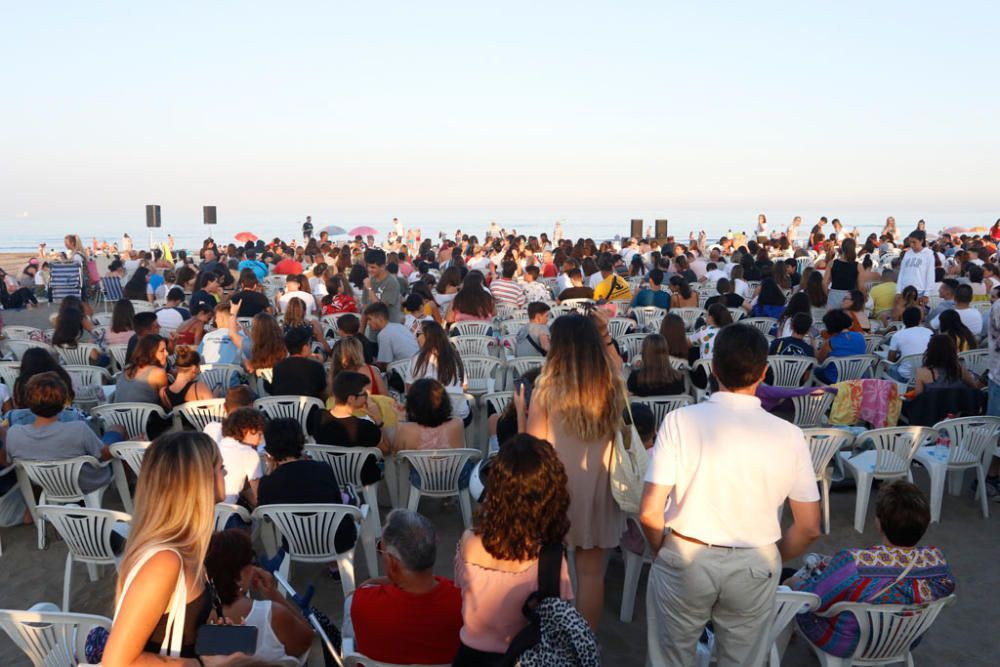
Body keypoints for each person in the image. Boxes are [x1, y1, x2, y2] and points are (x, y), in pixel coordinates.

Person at [639, 323, 821, 666]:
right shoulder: (790, 435)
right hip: (755, 560)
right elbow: (809, 526)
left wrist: (660, 550)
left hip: (685, 551)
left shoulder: (680, 421)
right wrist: (770, 556)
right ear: (764, 372)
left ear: (714, 368)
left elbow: (649, 512)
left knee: (670, 658)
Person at [526, 314, 623, 629]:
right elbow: (617, 363)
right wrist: (606, 337)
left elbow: (535, 445)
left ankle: (555, 643)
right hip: (601, 485)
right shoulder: (611, 383)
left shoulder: (547, 388)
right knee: (592, 575)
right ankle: (586, 649)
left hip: (558, 488)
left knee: (551, 572)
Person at [99, 432, 229, 663]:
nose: (226, 473)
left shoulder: (187, 546)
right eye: (220, 467)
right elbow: (117, 662)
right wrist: (201, 664)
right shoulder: (164, 561)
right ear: (199, 481)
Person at [789, 481, 955, 659]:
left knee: (790, 582)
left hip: (848, 643)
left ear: (879, 523)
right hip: (905, 640)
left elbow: (813, 600)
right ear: (925, 523)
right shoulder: (937, 561)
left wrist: (793, 583)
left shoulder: (853, 563)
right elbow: (947, 588)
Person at [452, 434, 574, 664]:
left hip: (471, 658)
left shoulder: (470, 542)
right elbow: (559, 617)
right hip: (528, 658)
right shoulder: (551, 559)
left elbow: (461, 587)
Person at [346, 509, 462, 665]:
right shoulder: (462, 602)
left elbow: (361, 592)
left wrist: (374, 582)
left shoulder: (361, 603)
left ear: (393, 563)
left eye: (381, 548)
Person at [0, 373, 121, 495]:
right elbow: (103, 455)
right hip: (85, 484)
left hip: (43, 485)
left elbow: (7, 461)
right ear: (63, 400)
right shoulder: (78, 429)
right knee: (117, 430)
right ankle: (128, 490)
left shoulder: (14, 434)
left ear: (28, 401)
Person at [204, 529, 315, 662]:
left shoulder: (202, 617)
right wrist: (273, 594)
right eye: (251, 562)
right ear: (241, 575)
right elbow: (307, 639)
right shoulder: (272, 614)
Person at [257, 418, 357, 554]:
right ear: (301, 441)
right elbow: (336, 502)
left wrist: (269, 470)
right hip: (337, 541)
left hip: (294, 543)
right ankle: (349, 497)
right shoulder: (322, 468)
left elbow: (266, 516)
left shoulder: (267, 483)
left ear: (269, 447)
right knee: (339, 500)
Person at [406, 320, 471, 425]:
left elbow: (409, 390)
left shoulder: (417, 359)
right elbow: (464, 387)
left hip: (429, 414)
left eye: (418, 334)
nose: (416, 337)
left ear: (428, 336)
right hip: (459, 414)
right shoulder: (454, 355)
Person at [216, 407, 266, 506]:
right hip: (227, 512)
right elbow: (258, 495)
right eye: (259, 434)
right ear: (245, 430)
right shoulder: (249, 453)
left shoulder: (218, 445)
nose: (261, 440)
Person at [269, 327, 328, 399]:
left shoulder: (278, 366)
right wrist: (321, 365)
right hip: (310, 408)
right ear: (304, 347)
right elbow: (323, 393)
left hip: (283, 409)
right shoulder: (316, 367)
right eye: (310, 344)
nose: (310, 347)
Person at [912, 334, 980, 396]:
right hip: (957, 407)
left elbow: (918, 399)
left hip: (932, 408)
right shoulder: (960, 371)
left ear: (930, 351)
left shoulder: (922, 373)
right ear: (952, 351)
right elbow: (975, 389)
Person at [115, 334, 169, 411]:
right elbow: (166, 404)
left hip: (117, 418)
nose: (166, 354)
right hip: (143, 421)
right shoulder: (158, 373)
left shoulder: (127, 368)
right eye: (162, 350)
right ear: (150, 352)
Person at [815, 309, 867, 383]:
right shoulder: (860, 336)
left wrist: (813, 344)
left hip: (834, 379)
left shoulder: (830, 343)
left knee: (815, 370)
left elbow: (819, 360)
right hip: (856, 377)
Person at [365, 302, 420, 370]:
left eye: (369, 319)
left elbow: (385, 363)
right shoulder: (399, 326)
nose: (368, 323)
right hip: (418, 364)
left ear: (380, 318)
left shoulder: (384, 334)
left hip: (406, 370)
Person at [887, 307, 933, 383]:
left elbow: (890, 360)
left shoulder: (898, 335)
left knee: (884, 364)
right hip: (926, 375)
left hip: (904, 377)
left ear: (903, 320)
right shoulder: (929, 332)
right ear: (920, 320)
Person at [362, 248, 402, 323]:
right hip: (373, 328)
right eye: (368, 266)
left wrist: (370, 288)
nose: (369, 270)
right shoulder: (369, 281)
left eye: (373, 267)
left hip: (389, 328)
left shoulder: (391, 282)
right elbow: (365, 308)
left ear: (383, 266)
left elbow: (380, 309)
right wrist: (361, 332)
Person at [823, 237, 860, 311]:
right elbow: (861, 287)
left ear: (842, 248)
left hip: (834, 295)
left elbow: (824, 283)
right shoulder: (858, 266)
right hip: (850, 297)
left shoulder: (832, 263)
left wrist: (827, 294)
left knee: (832, 320)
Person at [897, 230, 936, 296]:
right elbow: (901, 273)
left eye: (914, 242)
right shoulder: (907, 254)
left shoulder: (928, 254)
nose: (911, 244)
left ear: (921, 241)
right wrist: (898, 291)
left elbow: (930, 274)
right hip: (904, 291)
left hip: (920, 292)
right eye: (910, 242)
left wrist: (927, 294)